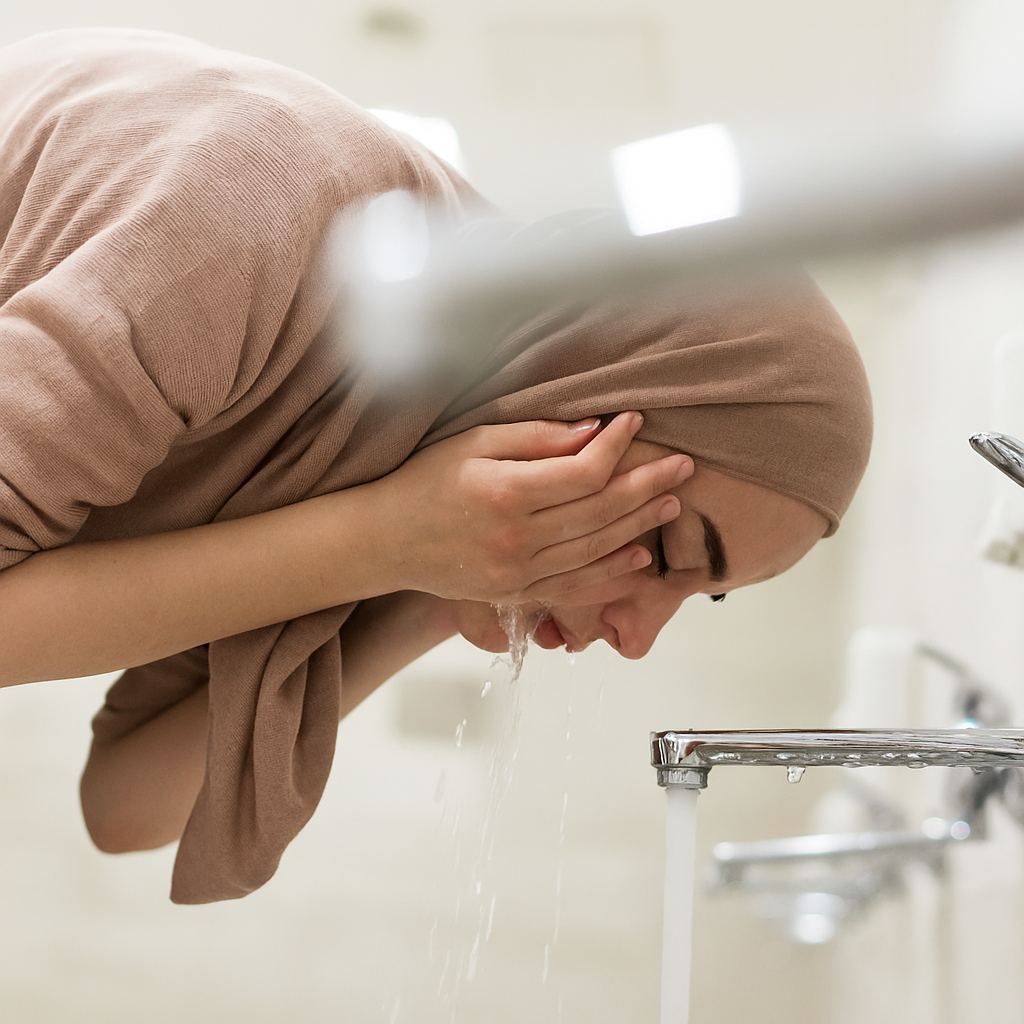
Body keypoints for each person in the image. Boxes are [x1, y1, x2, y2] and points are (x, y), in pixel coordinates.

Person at [0, 28, 872, 903]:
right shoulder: (263, 216)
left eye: (700, 595)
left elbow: (130, 803)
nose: (636, 641)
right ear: (593, 386)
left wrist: (428, 587)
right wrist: (377, 542)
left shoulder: (396, 437)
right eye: (671, 553)